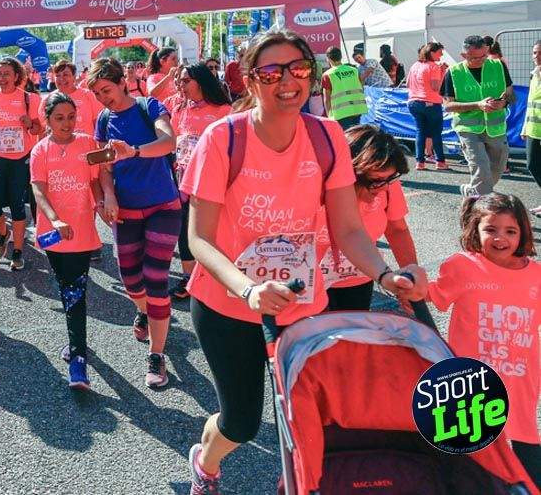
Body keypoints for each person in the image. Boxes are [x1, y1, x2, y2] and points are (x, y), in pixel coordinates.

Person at [179, 30, 428, 495]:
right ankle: (205, 462)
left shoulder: (327, 135)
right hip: (226, 302)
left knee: (308, 413)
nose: (287, 81)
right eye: (270, 72)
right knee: (242, 422)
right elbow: (199, 240)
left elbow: (349, 228)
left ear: (312, 76)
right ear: (250, 81)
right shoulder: (222, 139)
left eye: (298, 69)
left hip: (298, 302)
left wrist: (385, 274)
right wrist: (248, 288)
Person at [428, 193, 540, 488]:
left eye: (510, 231)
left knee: (525, 447)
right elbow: (433, 295)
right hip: (470, 379)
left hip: (519, 378)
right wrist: (406, 285)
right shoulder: (462, 266)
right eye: (490, 229)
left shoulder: (536, 277)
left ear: (523, 233)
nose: (500, 238)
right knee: (469, 451)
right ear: (474, 230)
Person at [89, 57, 179, 388]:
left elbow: (169, 142)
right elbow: (104, 166)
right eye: (97, 93)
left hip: (163, 206)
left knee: (155, 278)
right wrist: (108, 196)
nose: (103, 98)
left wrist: (135, 151)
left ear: (122, 82)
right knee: (130, 279)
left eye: (107, 90)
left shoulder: (149, 106)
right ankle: (145, 310)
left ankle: (157, 355)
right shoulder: (102, 118)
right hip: (125, 208)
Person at [30, 92, 102, 389]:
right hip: (53, 233)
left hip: (82, 232)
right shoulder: (40, 151)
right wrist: (55, 219)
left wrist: (103, 201)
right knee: (65, 287)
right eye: (59, 118)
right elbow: (38, 189)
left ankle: (78, 360)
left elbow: (98, 178)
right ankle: (75, 339)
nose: (67, 123)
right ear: (46, 120)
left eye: (71, 117)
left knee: (76, 293)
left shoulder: (87, 143)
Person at [320, 126, 418, 311]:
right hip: (310, 285)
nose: (383, 187)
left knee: (353, 337)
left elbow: (397, 230)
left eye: (390, 178)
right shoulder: (316, 189)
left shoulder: (387, 184)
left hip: (358, 279)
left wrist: (409, 278)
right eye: (376, 180)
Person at [164, 63, 232, 300]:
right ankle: (188, 277)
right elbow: (172, 140)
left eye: (185, 81)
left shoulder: (223, 110)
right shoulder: (179, 108)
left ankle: (217, 273)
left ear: (200, 81)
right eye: (180, 81)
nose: (180, 86)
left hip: (213, 179)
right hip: (183, 179)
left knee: (212, 227)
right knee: (184, 227)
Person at [0, 57, 43, 271]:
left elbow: (38, 130)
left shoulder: (29, 99)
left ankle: (18, 251)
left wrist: (29, 124)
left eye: (7, 73)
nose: (2, 77)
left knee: (16, 206)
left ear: (16, 76)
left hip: (19, 160)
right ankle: (4, 234)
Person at [443, 34, 514, 197]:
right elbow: (448, 106)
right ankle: (481, 210)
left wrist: (503, 102)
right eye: (476, 58)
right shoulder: (453, 72)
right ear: (464, 55)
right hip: (469, 129)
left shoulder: (498, 66)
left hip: (496, 129)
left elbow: (510, 94)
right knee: (481, 168)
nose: (482, 60)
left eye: (484, 55)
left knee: (496, 170)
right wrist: (478, 105)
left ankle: (472, 191)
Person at [406, 41, 449, 171]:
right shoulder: (434, 67)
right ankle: (440, 162)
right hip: (430, 102)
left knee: (420, 131)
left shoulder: (415, 65)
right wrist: (443, 72)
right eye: (439, 53)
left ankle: (420, 162)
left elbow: (408, 83)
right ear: (432, 52)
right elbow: (436, 87)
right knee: (436, 133)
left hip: (414, 102)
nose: (440, 56)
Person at [40, 60, 103, 137]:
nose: (61, 78)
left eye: (65, 75)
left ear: (74, 77)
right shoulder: (47, 100)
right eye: (57, 75)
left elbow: (99, 124)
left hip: (87, 146)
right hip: (60, 147)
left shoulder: (89, 95)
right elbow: (43, 130)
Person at [320, 46, 367, 130]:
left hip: (341, 114)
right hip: (357, 110)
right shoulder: (354, 70)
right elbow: (361, 86)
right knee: (355, 136)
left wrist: (329, 116)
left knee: (345, 138)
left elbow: (327, 99)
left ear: (328, 59)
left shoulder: (328, 75)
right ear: (341, 57)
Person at [522, 40, 541, 216]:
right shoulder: (534, 74)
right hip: (534, 129)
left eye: (540, 53)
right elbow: (531, 103)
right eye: (535, 52)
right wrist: (524, 127)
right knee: (532, 165)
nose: (537, 56)